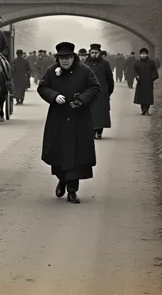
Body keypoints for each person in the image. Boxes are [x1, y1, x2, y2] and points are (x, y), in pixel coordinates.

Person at [37, 41, 100, 204]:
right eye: (61, 58)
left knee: (76, 155)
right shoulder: (51, 71)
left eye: (68, 57)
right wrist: (53, 96)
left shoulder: (85, 71)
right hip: (58, 118)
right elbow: (42, 87)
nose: (64, 61)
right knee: (57, 153)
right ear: (57, 59)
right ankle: (62, 179)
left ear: (74, 57)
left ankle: (72, 191)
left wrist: (82, 100)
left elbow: (94, 88)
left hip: (79, 119)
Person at [85, 43, 114, 139]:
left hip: (102, 92)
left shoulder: (105, 63)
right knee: (90, 113)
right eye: (92, 53)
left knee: (101, 113)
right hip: (89, 92)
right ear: (89, 52)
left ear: (99, 53)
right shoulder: (86, 63)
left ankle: (99, 131)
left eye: (96, 53)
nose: (94, 54)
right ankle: (92, 131)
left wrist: (108, 92)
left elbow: (109, 79)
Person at [133, 48, 159, 115]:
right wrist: (136, 75)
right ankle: (143, 109)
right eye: (142, 54)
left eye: (145, 54)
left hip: (149, 82)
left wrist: (152, 77)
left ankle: (146, 109)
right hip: (140, 82)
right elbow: (134, 70)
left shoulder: (151, 62)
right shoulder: (137, 63)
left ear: (147, 54)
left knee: (148, 96)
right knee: (141, 96)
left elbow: (154, 71)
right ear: (140, 54)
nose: (143, 55)